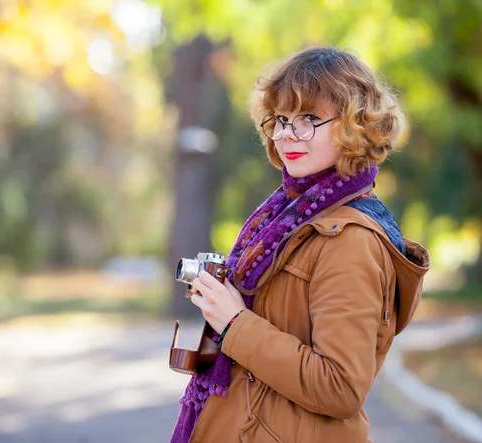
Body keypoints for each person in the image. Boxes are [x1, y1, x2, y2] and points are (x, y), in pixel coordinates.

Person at [170, 46, 430, 443]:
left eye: (309, 118)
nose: (288, 133)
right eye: (281, 119)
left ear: (354, 126)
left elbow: (340, 387)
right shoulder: (288, 217)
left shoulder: (351, 239)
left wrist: (236, 324)